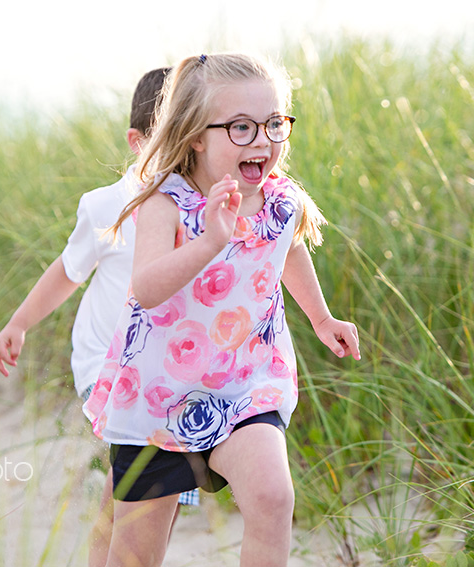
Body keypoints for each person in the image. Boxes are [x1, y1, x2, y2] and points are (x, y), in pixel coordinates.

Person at [81, 53, 361, 567]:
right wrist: (210, 240)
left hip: (245, 385)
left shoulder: (282, 200)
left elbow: (287, 249)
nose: (263, 140)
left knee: (273, 497)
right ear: (195, 137)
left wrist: (321, 319)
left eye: (275, 124)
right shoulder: (167, 201)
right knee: (135, 553)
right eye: (240, 127)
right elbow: (145, 288)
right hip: (158, 395)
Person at [0, 67, 200, 567]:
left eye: (190, 141)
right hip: (108, 364)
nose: (182, 156)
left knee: (160, 500)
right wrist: (19, 322)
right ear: (137, 142)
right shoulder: (110, 205)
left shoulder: (201, 204)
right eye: (168, 141)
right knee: (136, 479)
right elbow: (68, 271)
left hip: (170, 372)